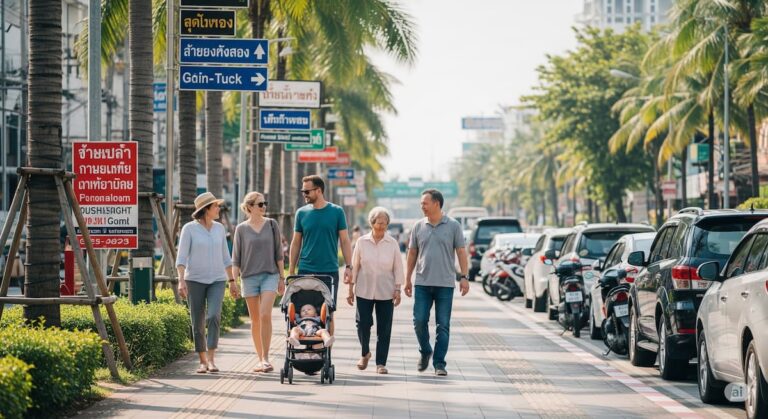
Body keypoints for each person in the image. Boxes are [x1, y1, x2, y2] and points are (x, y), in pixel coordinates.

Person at [404, 189, 469, 377]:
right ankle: (425, 350)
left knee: (443, 325)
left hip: (445, 284)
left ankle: (439, 363)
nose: (422, 206)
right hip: (422, 283)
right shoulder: (418, 226)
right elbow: (412, 253)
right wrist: (407, 279)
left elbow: (461, 252)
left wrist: (464, 277)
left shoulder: (454, 225)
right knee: (419, 321)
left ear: (437, 204)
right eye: (421, 203)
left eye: (425, 203)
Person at [176, 192, 236, 374]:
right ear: (206, 209)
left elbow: (226, 257)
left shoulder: (219, 228)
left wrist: (232, 281)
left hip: (217, 279)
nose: (218, 208)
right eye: (215, 206)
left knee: (213, 316)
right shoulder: (189, 229)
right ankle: (202, 361)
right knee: (197, 321)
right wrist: (181, 280)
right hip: (194, 279)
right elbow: (181, 257)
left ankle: (211, 359)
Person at [232, 191, 285, 373]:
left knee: (265, 315)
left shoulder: (271, 224)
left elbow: (279, 253)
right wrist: (233, 281)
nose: (264, 207)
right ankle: (260, 359)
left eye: (264, 203)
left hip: (270, 275)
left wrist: (282, 278)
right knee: (255, 320)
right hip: (249, 278)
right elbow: (236, 258)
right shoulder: (241, 229)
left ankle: (266, 358)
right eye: (260, 204)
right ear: (249, 207)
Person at [347, 207, 403, 374]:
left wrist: (398, 289)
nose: (382, 226)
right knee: (362, 323)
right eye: (379, 223)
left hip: (386, 291)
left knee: (384, 328)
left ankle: (381, 363)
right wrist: (350, 289)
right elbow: (355, 266)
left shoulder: (392, 243)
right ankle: (365, 353)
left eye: (385, 223)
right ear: (372, 223)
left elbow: (398, 267)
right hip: (364, 290)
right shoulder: (362, 242)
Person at [289, 175, 353, 310]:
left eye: (307, 191)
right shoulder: (301, 213)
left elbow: (345, 241)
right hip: (305, 270)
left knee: (328, 311)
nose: (304, 194)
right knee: (305, 311)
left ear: (318, 190)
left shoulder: (337, 211)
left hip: (329, 270)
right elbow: (296, 243)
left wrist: (348, 266)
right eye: (303, 191)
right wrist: (291, 270)